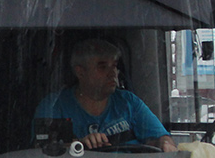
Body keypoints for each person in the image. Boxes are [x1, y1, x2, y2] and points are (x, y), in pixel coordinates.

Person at [34, 38, 177, 151]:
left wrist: (164, 143)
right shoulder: (54, 106)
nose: (112, 73)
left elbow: (161, 137)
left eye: (114, 66)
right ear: (80, 72)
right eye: (102, 67)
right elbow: (40, 152)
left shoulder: (128, 102)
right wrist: (78, 146)